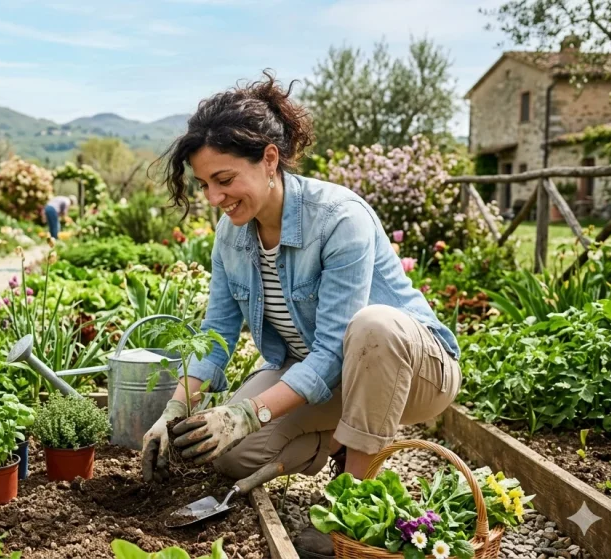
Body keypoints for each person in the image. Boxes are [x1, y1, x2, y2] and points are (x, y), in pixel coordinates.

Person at [140, 72, 461, 559]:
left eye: (224, 180)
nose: (214, 198)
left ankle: (353, 504)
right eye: (205, 184)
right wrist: (174, 409)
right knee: (230, 455)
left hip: (415, 370)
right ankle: (344, 440)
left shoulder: (338, 218)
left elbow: (336, 348)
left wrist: (249, 411)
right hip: (325, 378)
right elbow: (217, 335)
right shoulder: (231, 235)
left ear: (269, 158)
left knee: (374, 326)